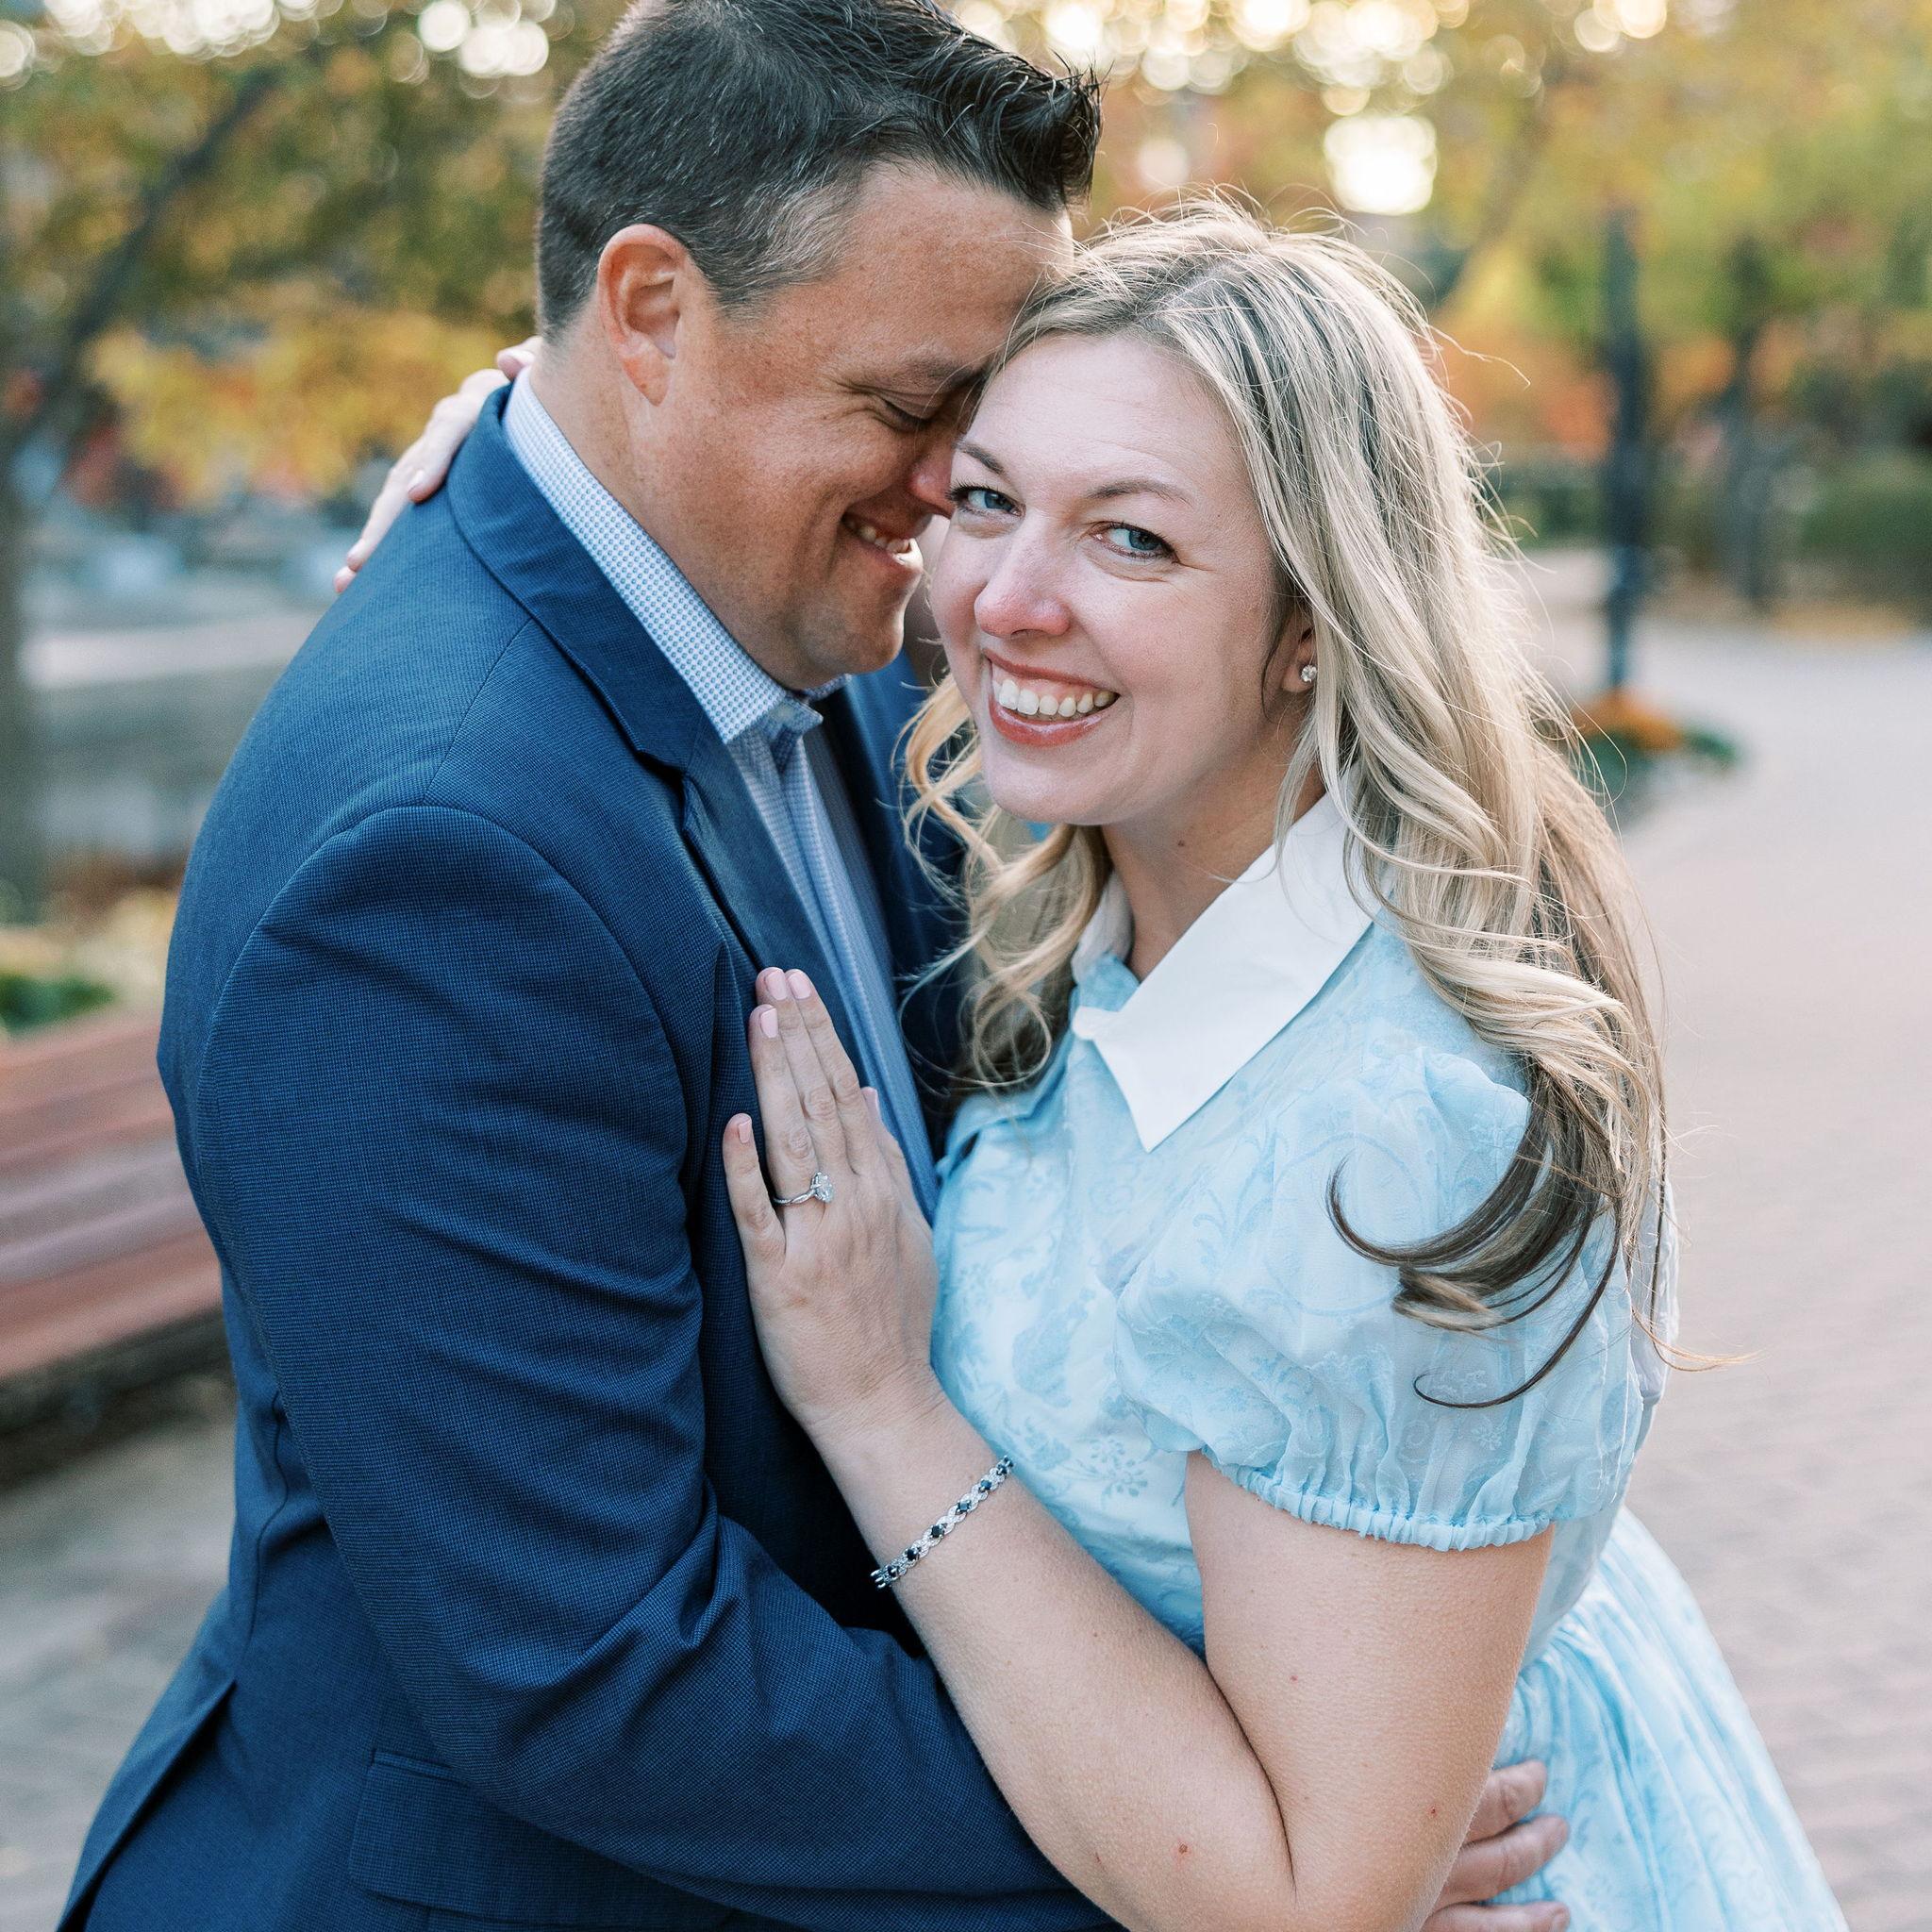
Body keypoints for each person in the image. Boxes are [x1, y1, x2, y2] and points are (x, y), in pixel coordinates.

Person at [62, 7, 1567, 1932]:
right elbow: (590, 1659)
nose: (962, 508)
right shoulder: (438, 860)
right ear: (652, 313)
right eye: (915, 409)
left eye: (990, 435)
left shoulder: (794, 617)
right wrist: (1235, 1855)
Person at [706, 208, 1850, 1931]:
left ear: (1314, 619)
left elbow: (1307, 1903)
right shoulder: (1111, 882)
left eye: (1134, 539)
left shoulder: (1386, 1134)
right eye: (989, 500)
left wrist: (882, 1409)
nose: (1008, 601)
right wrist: (532, 448)